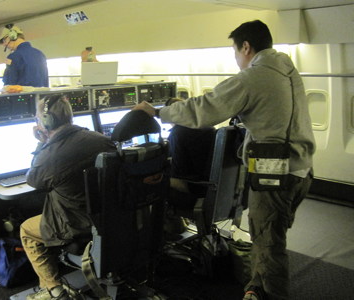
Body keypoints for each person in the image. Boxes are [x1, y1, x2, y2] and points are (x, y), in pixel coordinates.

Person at [134, 20, 316, 300]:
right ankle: (255, 287)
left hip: (275, 172)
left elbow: (204, 110)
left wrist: (157, 112)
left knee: (269, 243)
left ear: (246, 46)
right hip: (302, 168)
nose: (236, 58)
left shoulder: (253, 77)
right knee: (269, 234)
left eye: (235, 51)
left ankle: (272, 294)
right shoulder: (286, 68)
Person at [20, 94, 116, 300]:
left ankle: (54, 290)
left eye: (37, 119)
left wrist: (41, 144)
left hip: (77, 223)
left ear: (46, 122)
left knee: (27, 229)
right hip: (109, 217)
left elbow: (33, 180)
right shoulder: (102, 139)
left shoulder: (51, 155)